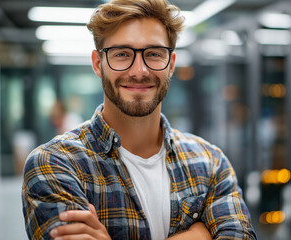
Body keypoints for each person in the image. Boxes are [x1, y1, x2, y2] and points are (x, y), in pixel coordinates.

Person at [21, 0, 257, 239]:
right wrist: (199, 235)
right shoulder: (55, 164)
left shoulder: (210, 163)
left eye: (154, 54)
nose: (139, 71)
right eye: (122, 54)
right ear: (97, 63)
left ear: (171, 64)